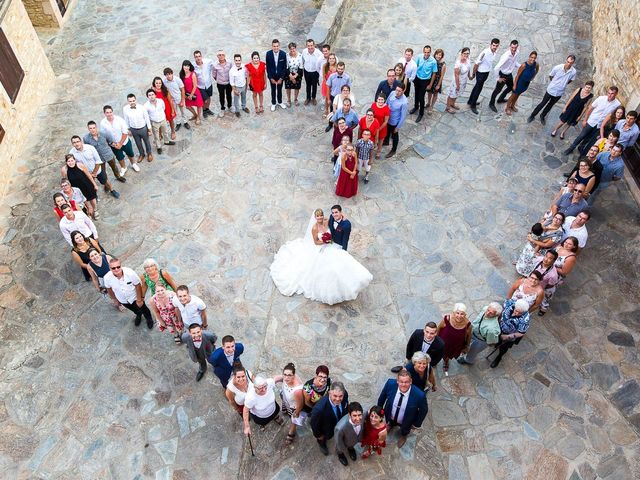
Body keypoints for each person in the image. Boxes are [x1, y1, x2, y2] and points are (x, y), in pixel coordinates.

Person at [270, 208, 372, 305]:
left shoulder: (327, 221)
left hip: (331, 246)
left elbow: (337, 218)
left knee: (343, 262)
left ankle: (357, 280)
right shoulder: (314, 228)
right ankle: (335, 290)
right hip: (321, 247)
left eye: (321, 216)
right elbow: (316, 242)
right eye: (318, 217)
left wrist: (342, 219)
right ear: (315, 217)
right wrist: (324, 240)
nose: (320, 218)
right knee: (331, 268)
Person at [377, 369, 428, 448]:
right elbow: (382, 397)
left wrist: (416, 424)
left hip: (407, 419)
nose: (403, 385)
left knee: (405, 429)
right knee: (389, 421)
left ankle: (404, 435)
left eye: (406, 382)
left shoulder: (419, 395)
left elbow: (424, 410)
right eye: (401, 382)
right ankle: (390, 424)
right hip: (390, 413)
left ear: (411, 381)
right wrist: (379, 412)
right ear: (397, 381)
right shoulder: (390, 384)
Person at [564, 86, 621, 156]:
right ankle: (571, 148)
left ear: (616, 94)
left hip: (600, 126)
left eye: (612, 93)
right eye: (608, 93)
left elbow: (614, 115)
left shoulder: (617, 104)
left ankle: (581, 147)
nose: (609, 95)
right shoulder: (601, 99)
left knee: (589, 138)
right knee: (581, 135)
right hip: (591, 121)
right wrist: (585, 120)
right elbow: (590, 108)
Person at [104, 257, 153, 328]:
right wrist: (114, 299)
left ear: (121, 266)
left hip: (134, 297)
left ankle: (149, 319)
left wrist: (139, 299)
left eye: (118, 267)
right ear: (110, 268)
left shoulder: (130, 273)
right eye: (113, 268)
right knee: (134, 310)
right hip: (123, 300)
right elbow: (109, 289)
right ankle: (138, 315)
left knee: (144, 309)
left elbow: (137, 285)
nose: (116, 269)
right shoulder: (107, 277)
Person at [528, 54, 577, 125]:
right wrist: (554, 83)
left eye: (571, 63)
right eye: (568, 62)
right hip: (551, 89)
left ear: (573, 63)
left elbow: (571, 80)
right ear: (566, 60)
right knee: (543, 103)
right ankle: (532, 115)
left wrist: (563, 84)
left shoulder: (573, 71)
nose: (569, 64)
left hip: (559, 92)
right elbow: (551, 76)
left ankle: (542, 116)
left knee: (550, 105)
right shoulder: (558, 67)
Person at [69, 135, 117, 200]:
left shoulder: (90, 148)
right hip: (86, 174)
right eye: (74, 142)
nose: (76, 144)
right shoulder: (72, 153)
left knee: (105, 181)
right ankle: (95, 196)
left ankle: (112, 190)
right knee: (91, 186)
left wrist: (94, 173)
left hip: (97, 170)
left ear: (81, 141)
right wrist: (88, 174)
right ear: (72, 144)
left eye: (78, 141)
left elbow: (98, 161)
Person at [310, 381, 349, 455]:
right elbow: (314, 424)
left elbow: (346, 403)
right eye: (335, 396)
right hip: (327, 429)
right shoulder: (319, 409)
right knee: (323, 439)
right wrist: (318, 436)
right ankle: (322, 443)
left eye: (340, 396)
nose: (338, 399)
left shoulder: (345, 394)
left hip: (339, 422)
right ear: (329, 393)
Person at [489, 299, 530, 368]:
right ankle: (496, 343)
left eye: (520, 313)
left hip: (508, 335)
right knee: (496, 340)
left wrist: (508, 336)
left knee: (503, 348)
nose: (516, 313)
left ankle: (499, 357)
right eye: (516, 311)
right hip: (499, 327)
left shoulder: (525, 319)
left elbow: (521, 332)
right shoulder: (510, 303)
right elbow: (502, 308)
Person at [100, 105, 139, 172]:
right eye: (107, 112)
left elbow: (125, 132)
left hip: (124, 142)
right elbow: (104, 135)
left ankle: (133, 164)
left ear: (112, 112)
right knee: (119, 157)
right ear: (104, 113)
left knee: (130, 154)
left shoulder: (119, 120)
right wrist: (112, 143)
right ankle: (124, 167)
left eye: (110, 112)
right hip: (114, 145)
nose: (109, 114)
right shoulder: (103, 123)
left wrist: (120, 143)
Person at [436, 303, 472, 375]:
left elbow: (469, 337)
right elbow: (438, 328)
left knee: (448, 355)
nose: (459, 316)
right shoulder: (447, 319)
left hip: (455, 345)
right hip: (443, 342)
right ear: (453, 313)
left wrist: (466, 347)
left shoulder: (468, 325)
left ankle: (446, 362)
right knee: (440, 352)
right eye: (457, 313)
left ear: (465, 315)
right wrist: (435, 339)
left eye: (462, 314)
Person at [274, 362, 304, 445]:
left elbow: (300, 403)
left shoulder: (297, 390)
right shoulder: (285, 378)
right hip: (286, 399)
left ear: (294, 376)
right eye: (285, 374)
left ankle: (292, 431)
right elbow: (277, 378)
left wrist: (297, 412)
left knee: (293, 419)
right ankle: (285, 410)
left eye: (289, 375)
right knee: (285, 404)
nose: (286, 378)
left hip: (293, 407)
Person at [468, 38, 500, 114]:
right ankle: (473, 105)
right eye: (493, 45)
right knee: (478, 89)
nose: (495, 47)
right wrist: (473, 74)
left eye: (496, 46)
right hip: (481, 73)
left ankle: (470, 101)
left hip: (486, 72)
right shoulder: (485, 53)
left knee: (476, 87)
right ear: (490, 45)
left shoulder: (494, 52)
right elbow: (476, 64)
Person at [61, 154, 97, 219]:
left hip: (87, 185)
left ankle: (95, 210)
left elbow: (89, 175)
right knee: (84, 202)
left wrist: (94, 184)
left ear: (75, 160)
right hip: (77, 189)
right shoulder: (64, 170)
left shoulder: (80, 165)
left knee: (93, 199)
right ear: (66, 162)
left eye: (72, 160)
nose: (71, 162)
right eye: (69, 161)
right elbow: (66, 181)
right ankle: (88, 213)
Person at [488, 40, 520, 112]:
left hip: (509, 74)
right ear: (510, 46)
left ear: (517, 47)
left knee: (510, 87)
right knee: (497, 90)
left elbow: (514, 62)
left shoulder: (517, 52)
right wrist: (498, 78)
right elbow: (496, 68)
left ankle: (500, 99)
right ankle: (491, 103)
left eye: (515, 47)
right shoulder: (506, 56)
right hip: (503, 75)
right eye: (512, 47)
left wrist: (521, 67)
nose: (514, 49)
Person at [504, 51, 538, 115]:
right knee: (513, 96)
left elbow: (537, 70)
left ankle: (512, 105)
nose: (533, 59)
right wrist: (514, 85)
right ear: (529, 57)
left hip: (526, 84)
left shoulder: (535, 64)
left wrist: (533, 77)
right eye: (532, 57)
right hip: (519, 83)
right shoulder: (523, 65)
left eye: (534, 58)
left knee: (518, 95)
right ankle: (507, 108)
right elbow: (517, 76)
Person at [123, 93, 153, 163]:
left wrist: (149, 129)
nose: (132, 102)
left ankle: (149, 154)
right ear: (128, 101)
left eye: (133, 100)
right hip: (133, 129)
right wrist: (128, 129)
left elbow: (147, 118)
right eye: (130, 101)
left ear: (136, 100)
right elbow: (126, 119)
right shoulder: (125, 109)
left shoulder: (142, 107)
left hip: (143, 128)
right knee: (138, 143)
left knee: (147, 142)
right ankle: (142, 154)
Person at [411, 45, 438, 122]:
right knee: (416, 94)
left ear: (430, 52)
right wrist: (413, 77)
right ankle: (416, 107)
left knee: (421, 97)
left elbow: (434, 73)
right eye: (425, 52)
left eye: (428, 52)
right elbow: (415, 66)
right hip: (417, 78)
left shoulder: (433, 61)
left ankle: (421, 113)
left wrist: (430, 84)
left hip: (425, 81)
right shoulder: (419, 57)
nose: (426, 54)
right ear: (423, 51)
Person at [530, 250, 560, 316]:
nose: (546, 259)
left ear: (553, 261)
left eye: (550, 258)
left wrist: (541, 289)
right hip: (537, 283)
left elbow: (550, 285)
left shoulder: (553, 275)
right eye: (546, 256)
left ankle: (544, 308)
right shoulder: (540, 260)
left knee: (544, 299)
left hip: (546, 288)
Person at [334, 402, 364, 466]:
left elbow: (367, 412)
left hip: (352, 440)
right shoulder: (340, 428)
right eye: (354, 415)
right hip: (344, 442)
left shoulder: (363, 416)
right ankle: (341, 455)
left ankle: (350, 449)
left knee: (351, 444)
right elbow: (338, 441)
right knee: (340, 449)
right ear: (349, 415)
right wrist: (342, 449)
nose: (358, 419)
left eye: (359, 415)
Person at [144, 89, 171, 155]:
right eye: (149, 95)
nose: (151, 96)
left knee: (165, 131)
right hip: (154, 122)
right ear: (147, 97)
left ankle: (167, 141)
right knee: (156, 135)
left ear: (155, 95)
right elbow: (146, 116)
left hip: (162, 120)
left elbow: (163, 108)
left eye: (152, 94)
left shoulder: (160, 101)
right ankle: (158, 147)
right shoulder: (146, 106)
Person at [384, 85, 408, 158]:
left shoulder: (404, 102)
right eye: (396, 90)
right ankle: (386, 141)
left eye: (399, 91)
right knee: (387, 131)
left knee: (394, 136)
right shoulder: (392, 93)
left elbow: (403, 116)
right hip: (387, 118)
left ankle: (393, 150)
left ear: (403, 91)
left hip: (394, 121)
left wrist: (398, 127)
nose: (397, 92)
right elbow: (387, 102)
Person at [445, 47, 471, 114]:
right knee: (452, 94)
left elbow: (468, 68)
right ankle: (448, 107)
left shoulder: (468, 59)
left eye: (467, 53)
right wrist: (458, 85)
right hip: (457, 82)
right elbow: (456, 75)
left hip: (463, 81)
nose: (466, 55)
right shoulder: (458, 63)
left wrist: (469, 76)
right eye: (464, 53)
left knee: (457, 94)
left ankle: (452, 104)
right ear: (462, 53)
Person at [162, 67, 188, 132]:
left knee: (183, 111)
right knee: (175, 112)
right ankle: (178, 123)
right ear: (165, 75)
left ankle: (185, 122)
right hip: (171, 100)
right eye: (167, 75)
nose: (168, 76)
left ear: (172, 74)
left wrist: (182, 100)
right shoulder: (164, 81)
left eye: (170, 74)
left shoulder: (177, 79)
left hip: (179, 98)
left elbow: (182, 90)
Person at [151, 76, 177, 141]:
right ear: (154, 83)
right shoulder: (152, 91)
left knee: (171, 120)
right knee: (158, 122)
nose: (158, 84)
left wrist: (173, 110)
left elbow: (170, 100)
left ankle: (173, 131)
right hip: (158, 110)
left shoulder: (165, 90)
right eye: (156, 83)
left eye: (160, 83)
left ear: (162, 83)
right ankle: (160, 134)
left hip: (167, 108)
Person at [265, 39, 287, 111]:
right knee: (273, 89)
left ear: (279, 46)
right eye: (274, 46)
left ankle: (280, 102)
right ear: (272, 46)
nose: (276, 48)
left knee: (280, 89)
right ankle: (273, 103)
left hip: (280, 76)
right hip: (272, 75)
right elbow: (267, 67)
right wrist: (270, 78)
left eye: (277, 46)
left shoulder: (283, 54)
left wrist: (281, 78)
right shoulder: (268, 54)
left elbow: (284, 67)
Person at [180, 60, 203, 125]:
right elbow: (181, 85)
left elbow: (195, 85)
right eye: (185, 65)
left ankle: (198, 117)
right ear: (182, 66)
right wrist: (184, 94)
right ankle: (195, 115)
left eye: (188, 66)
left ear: (190, 67)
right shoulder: (181, 74)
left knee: (198, 105)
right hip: (186, 93)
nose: (186, 67)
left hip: (194, 92)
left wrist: (191, 95)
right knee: (188, 106)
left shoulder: (193, 74)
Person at [193, 50, 215, 117]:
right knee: (204, 100)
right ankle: (204, 110)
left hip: (208, 84)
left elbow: (215, 64)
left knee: (209, 98)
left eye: (199, 56)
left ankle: (207, 109)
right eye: (196, 57)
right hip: (200, 86)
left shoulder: (208, 62)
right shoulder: (193, 66)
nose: (198, 58)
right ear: (194, 58)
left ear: (201, 56)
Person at [302, 38, 323, 105]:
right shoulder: (304, 51)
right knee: (308, 85)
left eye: (311, 45)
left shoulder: (319, 53)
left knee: (314, 85)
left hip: (315, 72)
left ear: (314, 45)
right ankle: (308, 98)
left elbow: (321, 63)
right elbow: (302, 60)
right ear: (306, 46)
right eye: (308, 45)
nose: (310, 47)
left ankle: (313, 98)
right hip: (306, 71)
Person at [213, 50, 232, 117]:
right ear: (217, 56)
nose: (221, 56)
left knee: (229, 95)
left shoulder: (229, 63)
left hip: (228, 83)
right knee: (221, 96)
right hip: (220, 83)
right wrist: (218, 80)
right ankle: (222, 108)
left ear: (225, 55)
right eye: (219, 55)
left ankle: (230, 106)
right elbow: (214, 75)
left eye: (222, 55)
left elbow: (232, 72)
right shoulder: (215, 65)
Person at [370, 94, 390, 159]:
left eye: (382, 100)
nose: (380, 101)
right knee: (372, 139)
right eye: (379, 99)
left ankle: (378, 153)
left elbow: (386, 121)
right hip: (374, 126)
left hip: (382, 128)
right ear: (377, 99)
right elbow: (371, 115)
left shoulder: (386, 108)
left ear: (384, 100)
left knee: (380, 141)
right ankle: (370, 151)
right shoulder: (373, 105)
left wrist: (379, 129)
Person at [426, 49, 446, 113]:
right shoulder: (433, 61)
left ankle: (431, 106)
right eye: (437, 54)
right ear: (435, 54)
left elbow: (442, 76)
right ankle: (428, 103)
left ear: (442, 56)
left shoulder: (443, 64)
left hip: (437, 80)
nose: (438, 56)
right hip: (431, 78)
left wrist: (438, 85)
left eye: (440, 55)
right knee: (429, 92)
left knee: (435, 94)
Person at [284, 42, 303, 106]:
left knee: (296, 87)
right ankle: (289, 100)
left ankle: (295, 99)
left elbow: (301, 67)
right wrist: (291, 76)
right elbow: (286, 67)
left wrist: (295, 76)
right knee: (288, 88)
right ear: (289, 49)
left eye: (293, 48)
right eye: (291, 49)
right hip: (288, 74)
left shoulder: (300, 56)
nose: (292, 50)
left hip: (297, 73)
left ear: (295, 48)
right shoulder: (286, 55)